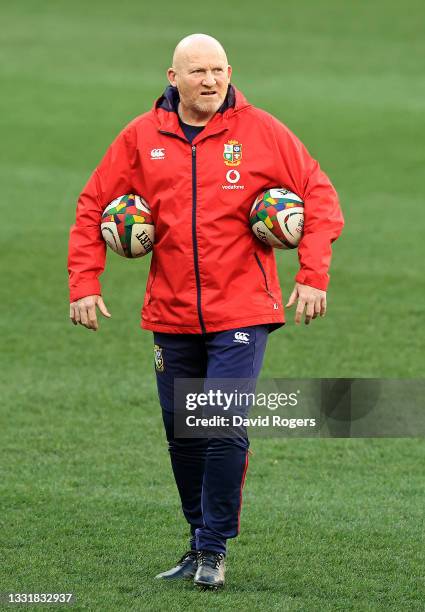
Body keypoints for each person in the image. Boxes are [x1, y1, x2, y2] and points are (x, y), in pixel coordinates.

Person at [68, 33, 344, 589]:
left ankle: (215, 549)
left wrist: (312, 274)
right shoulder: (143, 136)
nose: (210, 80)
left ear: (229, 71)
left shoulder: (261, 131)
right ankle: (197, 542)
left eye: (218, 69)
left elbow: (319, 195)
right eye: (197, 72)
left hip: (242, 309)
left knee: (219, 426)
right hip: (169, 312)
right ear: (174, 78)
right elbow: (93, 203)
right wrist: (84, 281)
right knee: (182, 433)